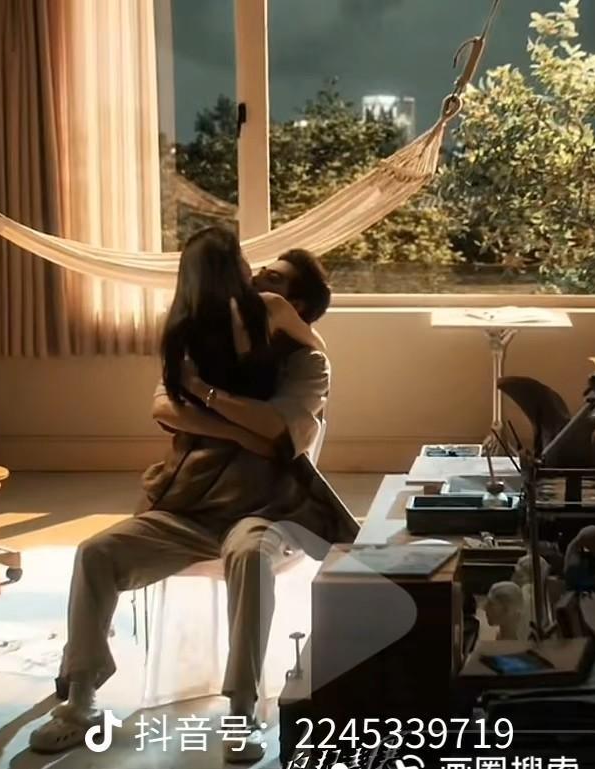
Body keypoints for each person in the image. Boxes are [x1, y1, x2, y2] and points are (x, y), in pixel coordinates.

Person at [29, 232, 358, 759]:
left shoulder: (307, 364)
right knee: (95, 552)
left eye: (272, 279)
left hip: (267, 511)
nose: (255, 279)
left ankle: (242, 712)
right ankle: (81, 699)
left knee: (250, 555)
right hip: (188, 508)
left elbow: (281, 430)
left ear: (294, 307)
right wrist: (239, 427)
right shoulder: (208, 344)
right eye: (256, 272)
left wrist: (206, 399)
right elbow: (165, 405)